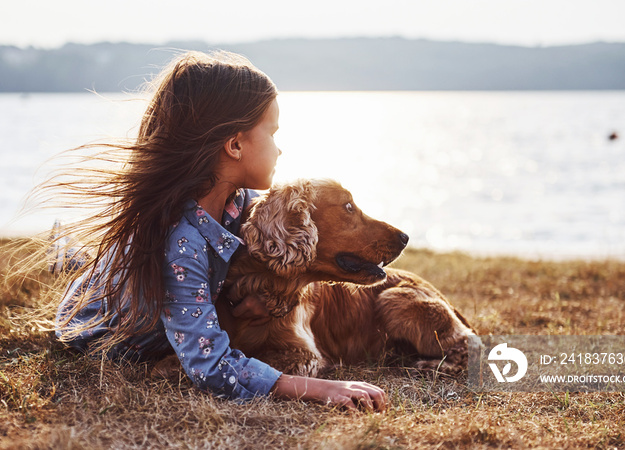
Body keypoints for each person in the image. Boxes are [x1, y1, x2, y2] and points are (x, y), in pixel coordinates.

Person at [47, 51, 386, 411]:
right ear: (235, 145)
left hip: (145, 292)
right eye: (272, 133)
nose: (280, 148)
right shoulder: (181, 245)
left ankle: (77, 258)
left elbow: (273, 253)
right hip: (99, 333)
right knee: (103, 275)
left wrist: (273, 301)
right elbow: (210, 366)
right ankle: (74, 258)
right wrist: (319, 388)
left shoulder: (239, 201)